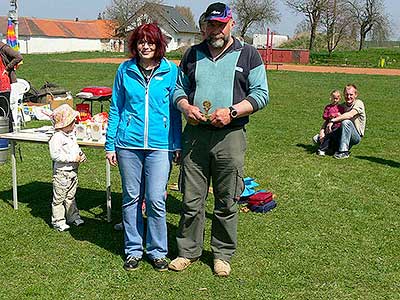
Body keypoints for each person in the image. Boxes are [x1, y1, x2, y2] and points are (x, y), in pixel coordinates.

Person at [168, 2, 269, 277]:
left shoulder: (248, 54)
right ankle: (187, 251)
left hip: (230, 135)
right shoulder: (191, 54)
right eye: (210, 24)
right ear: (204, 25)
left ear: (231, 23)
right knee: (191, 199)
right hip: (195, 136)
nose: (215, 30)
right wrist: (186, 107)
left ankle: (222, 254)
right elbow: (178, 89)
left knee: (227, 199)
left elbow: (261, 94)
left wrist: (233, 112)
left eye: (220, 24)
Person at [105, 23, 181, 272]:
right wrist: (110, 145)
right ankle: (133, 250)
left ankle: (158, 251)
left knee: (156, 199)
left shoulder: (171, 70)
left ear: (159, 44)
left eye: (150, 42)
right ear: (135, 45)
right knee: (131, 198)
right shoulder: (125, 70)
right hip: (128, 144)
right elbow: (116, 107)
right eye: (141, 42)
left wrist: (176, 144)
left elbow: (176, 110)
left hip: (160, 146)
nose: (145, 46)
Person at [49, 104, 86, 232]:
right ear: (63, 124)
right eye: (72, 122)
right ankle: (58, 220)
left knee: (71, 195)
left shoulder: (70, 135)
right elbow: (55, 155)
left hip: (73, 172)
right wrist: (72, 158)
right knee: (59, 197)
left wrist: (81, 155)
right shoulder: (57, 137)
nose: (74, 123)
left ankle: (73, 216)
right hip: (62, 173)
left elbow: (76, 148)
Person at [328, 84, 366, 159]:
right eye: (346, 94)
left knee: (346, 122)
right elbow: (329, 119)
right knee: (317, 139)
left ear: (356, 95)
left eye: (351, 94)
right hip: (341, 132)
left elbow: (350, 115)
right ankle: (333, 147)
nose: (348, 97)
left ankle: (344, 152)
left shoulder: (359, 103)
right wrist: (322, 131)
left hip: (355, 136)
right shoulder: (342, 106)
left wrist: (333, 120)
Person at [0, 41, 23, 131]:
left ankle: (9, 135)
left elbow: (18, 57)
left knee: (5, 110)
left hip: (3, 84)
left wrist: (7, 68)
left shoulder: (3, 48)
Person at [314, 90, 344, 156]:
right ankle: (322, 149)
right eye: (334, 98)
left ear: (339, 99)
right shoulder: (328, 107)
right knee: (328, 137)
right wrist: (329, 116)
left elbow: (342, 115)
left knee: (336, 138)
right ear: (331, 98)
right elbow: (324, 116)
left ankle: (335, 150)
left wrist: (337, 115)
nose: (335, 100)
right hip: (329, 125)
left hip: (337, 125)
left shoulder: (340, 107)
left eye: (337, 99)